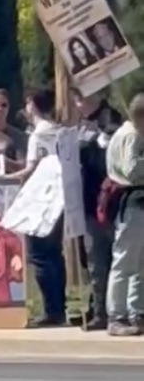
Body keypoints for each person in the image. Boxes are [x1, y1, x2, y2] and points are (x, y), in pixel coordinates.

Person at [12, 89, 66, 327]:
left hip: (41, 200)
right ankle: (59, 307)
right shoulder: (59, 130)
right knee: (55, 255)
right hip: (59, 198)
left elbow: (31, 169)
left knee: (40, 256)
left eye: (27, 102)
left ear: (33, 105)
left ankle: (51, 311)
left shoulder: (38, 135)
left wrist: (5, 176)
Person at [72, 88, 122, 331]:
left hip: (110, 204)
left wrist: (101, 141)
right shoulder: (81, 125)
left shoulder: (112, 121)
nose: (78, 103)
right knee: (94, 263)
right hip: (88, 204)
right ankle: (98, 309)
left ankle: (114, 311)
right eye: (76, 98)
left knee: (113, 261)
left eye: (82, 98)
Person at [103, 93, 144, 336]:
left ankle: (136, 311)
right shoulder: (131, 135)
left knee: (140, 262)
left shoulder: (129, 133)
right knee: (125, 261)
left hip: (137, 203)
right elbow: (131, 170)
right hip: (133, 202)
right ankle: (116, 315)